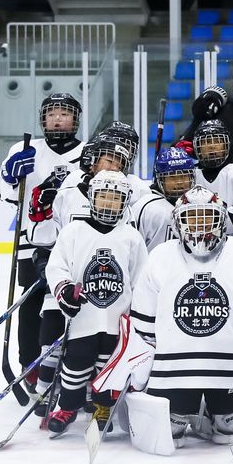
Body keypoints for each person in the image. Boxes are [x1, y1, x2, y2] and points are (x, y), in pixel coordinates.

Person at [132, 186, 233, 446]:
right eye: (192, 217)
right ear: (178, 222)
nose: (200, 225)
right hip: (173, 369)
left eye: (208, 217)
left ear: (221, 220)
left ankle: (212, 411)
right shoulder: (161, 255)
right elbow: (143, 319)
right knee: (171, 433)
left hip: (230, 369)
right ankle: (195, 410)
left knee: (231, 430)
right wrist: (141, 365)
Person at [43, 170, 148, 434]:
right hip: (83, 318)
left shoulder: (131, 237)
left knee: (108, 364)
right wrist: (64, 290)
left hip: (117, 317)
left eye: (116, 198)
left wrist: (139, 314)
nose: (109, 203)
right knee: (76, 361)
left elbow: (141, 278)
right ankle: (68, 405)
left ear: (125, 202)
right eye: (104, 197)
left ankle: (103, 407)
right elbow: (57, 267)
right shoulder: (74, 231)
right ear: (92, 198)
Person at [0, 92, 85, 384]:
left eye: (65, 113)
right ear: (43, 119)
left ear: (75, 119)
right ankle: (30, 366)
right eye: (52, 113)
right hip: (30, 242)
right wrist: (11, 178)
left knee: (73, 302)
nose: (58, 118)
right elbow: (4, 195)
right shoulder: (24, 149)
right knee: (31, 302)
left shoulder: (88, 152)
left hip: (74, 242)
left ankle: (70, 364)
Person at [191, 120, 233, 236]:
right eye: (206, 142)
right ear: (198, 147)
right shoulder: (190, 176)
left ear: (226, 144)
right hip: (196, 245)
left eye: (217, 141)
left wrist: (201, 226)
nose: (212, 146)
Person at [130, 147, 197, 251]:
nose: (179, 182)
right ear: (160, 179)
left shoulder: (200, 203)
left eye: (183, 176)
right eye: (172, 176)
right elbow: (132, 248)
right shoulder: (146, 207)